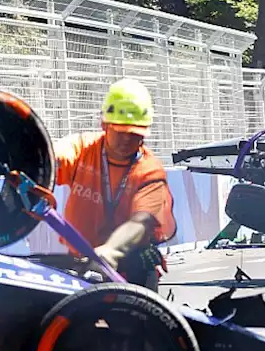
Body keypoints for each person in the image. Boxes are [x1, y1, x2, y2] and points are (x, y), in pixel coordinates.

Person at [51, 78, 177, 290]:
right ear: (104, 125)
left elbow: (141, 222)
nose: (127, 139)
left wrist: (110, 251)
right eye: (121, 132)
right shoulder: (82, 149)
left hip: (130, 267)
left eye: (135, 134)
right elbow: (52, 159)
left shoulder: (150, 170)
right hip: (80, 263)